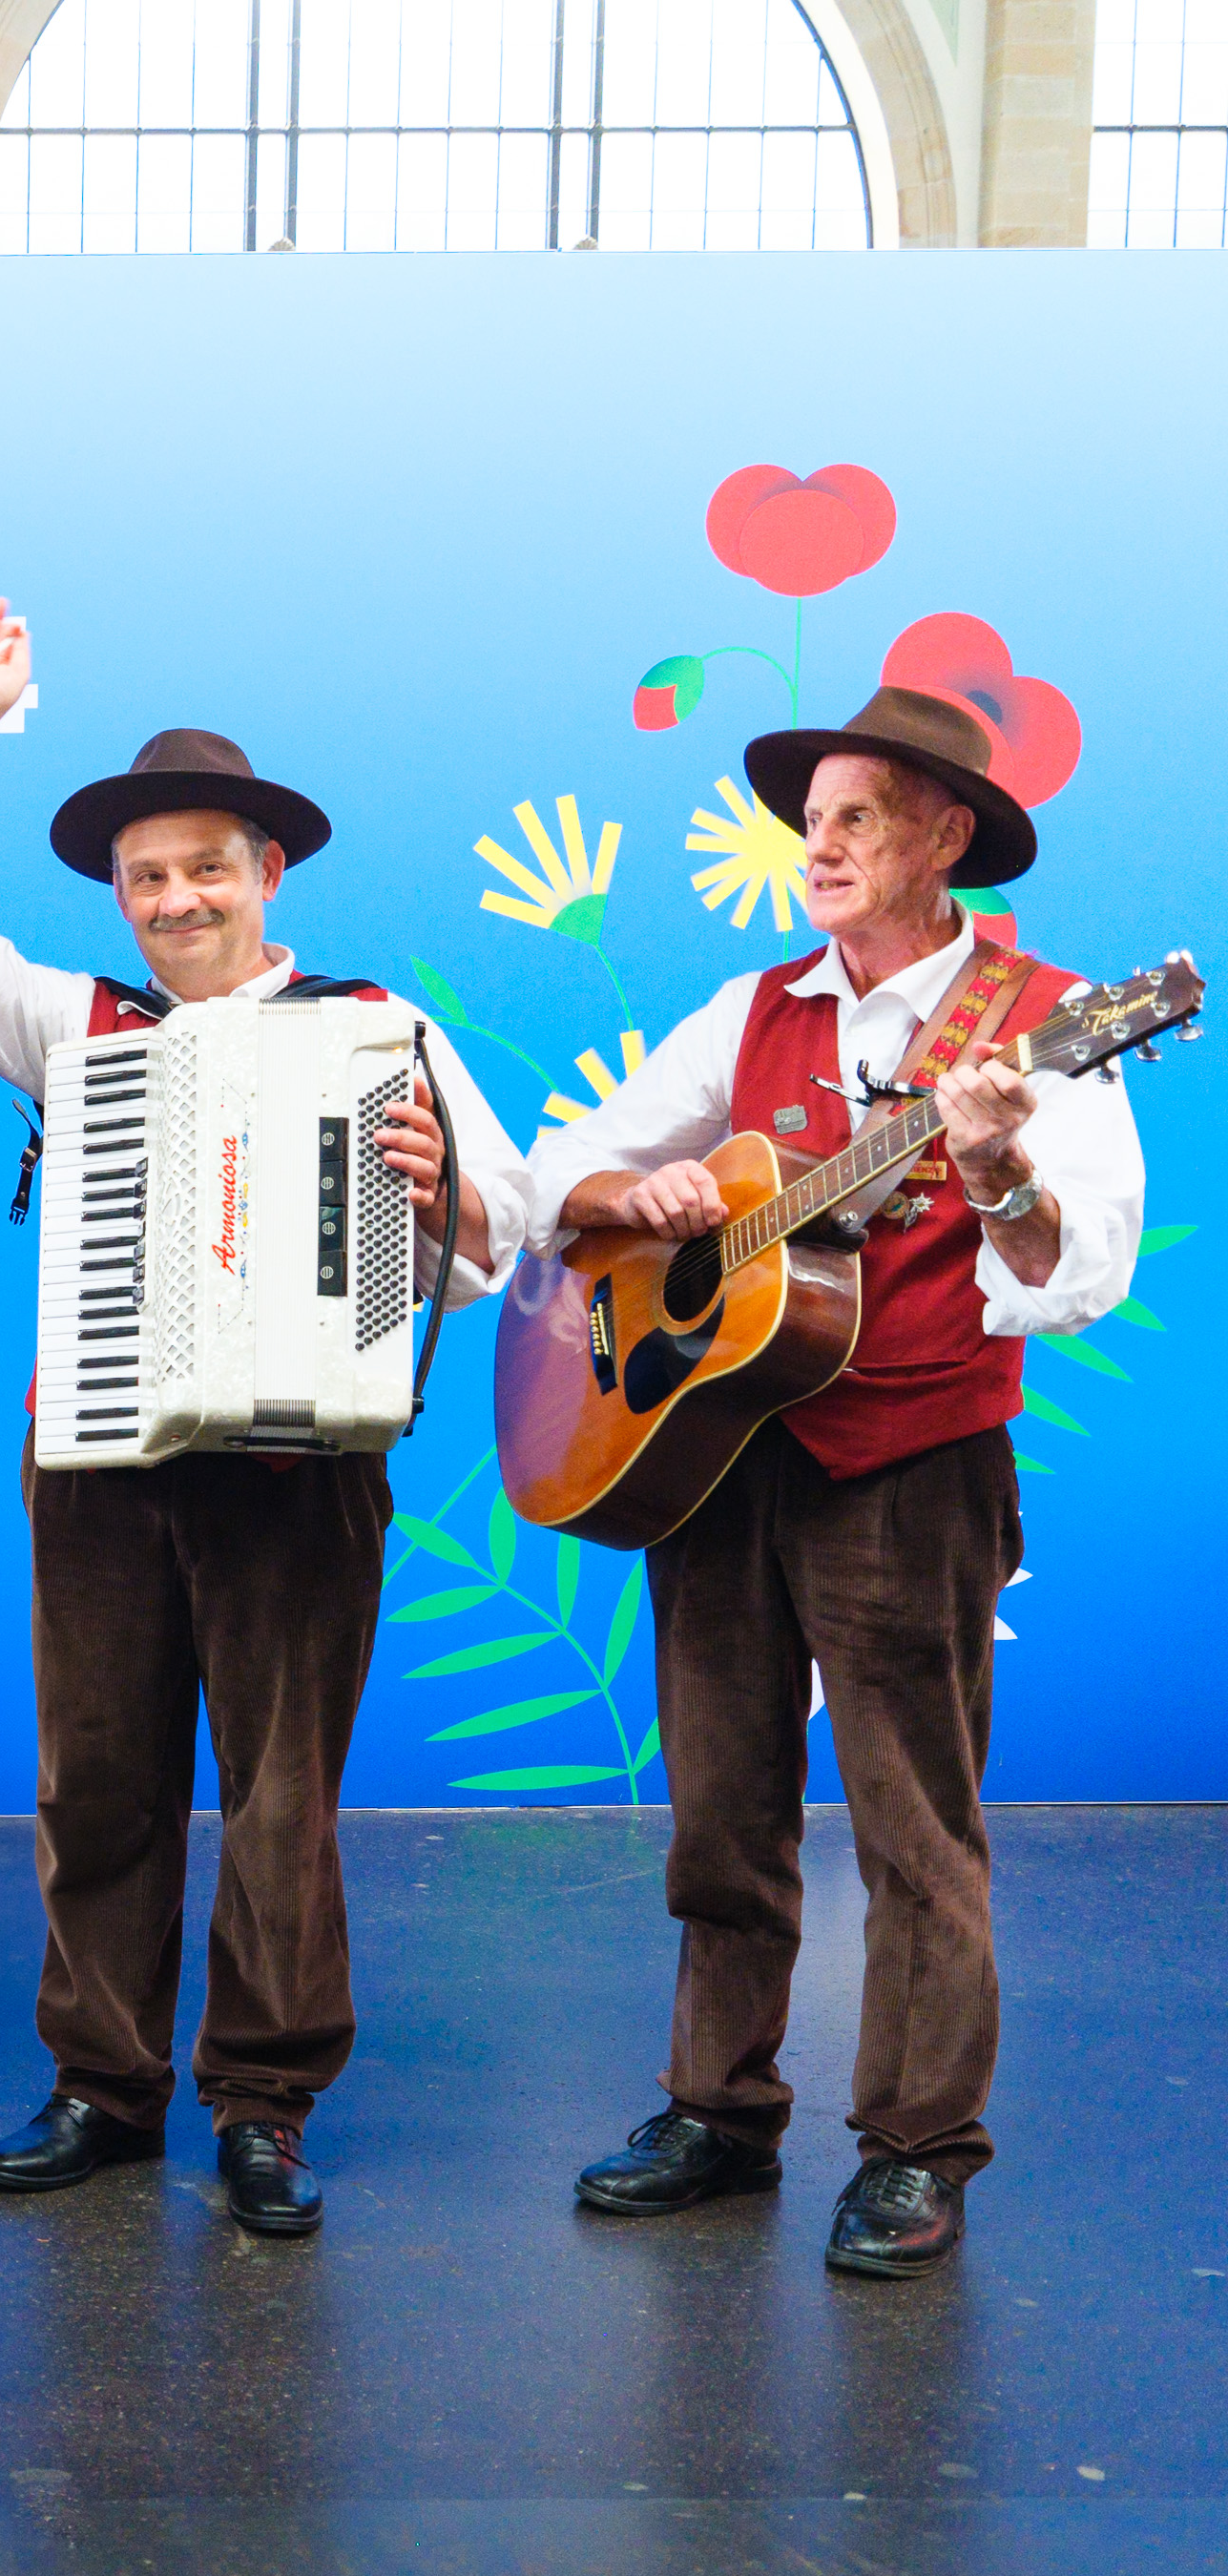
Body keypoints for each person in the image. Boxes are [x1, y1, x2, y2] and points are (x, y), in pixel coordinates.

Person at [0, 606, 531, 2240]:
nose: (174, 900)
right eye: (145, 876)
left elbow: (497, 1244)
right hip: (99, 1462)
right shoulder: (77, 1027)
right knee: (93, 1781)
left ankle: (264, 2100)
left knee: (277, 1790)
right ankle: (103, 2086)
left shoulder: (383, 1027)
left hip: (300, 1475)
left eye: (204, 870)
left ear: (266, 876)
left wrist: (429, 1198)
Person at [528, 687, 1142, 2279]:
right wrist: (638, 1187)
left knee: (911, 1826)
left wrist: (997, 1161)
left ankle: (916, 2151)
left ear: (947, 835)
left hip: (911, 1464)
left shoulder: (1049, 1021)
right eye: (815, 823)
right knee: (722, 1810)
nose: (825, 848)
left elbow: (1076, 1279)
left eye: (860, 818)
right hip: (722, 1461)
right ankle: (719, 2112)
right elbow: (555, 1178)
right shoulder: (752, 1009)